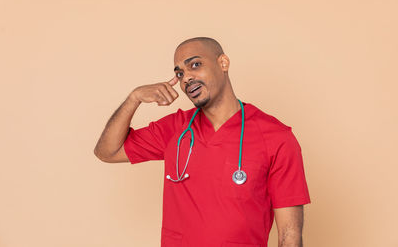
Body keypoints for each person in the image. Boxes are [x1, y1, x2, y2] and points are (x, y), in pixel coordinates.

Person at [93, 37, 311, 247]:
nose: (186, 78)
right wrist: (134, 98)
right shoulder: (174, 129)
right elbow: (107, 152)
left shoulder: (276, 137)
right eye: (179, 73)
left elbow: (289, 236)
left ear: (223, 63)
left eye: (195, 65)